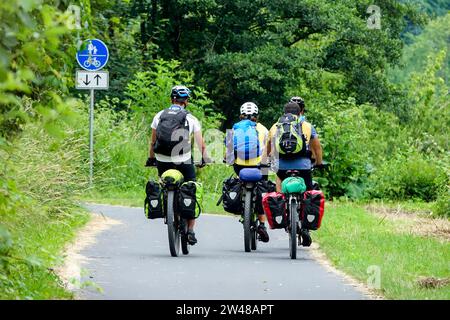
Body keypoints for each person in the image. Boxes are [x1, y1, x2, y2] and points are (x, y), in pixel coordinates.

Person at [146, 85, 209, 245]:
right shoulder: (191, 118)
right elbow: (200, 144)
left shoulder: (159, 115)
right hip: (183, 158)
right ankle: (191, 230)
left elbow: (153, 141)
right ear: (186, 101)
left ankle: (167, 204)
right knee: (191, 187)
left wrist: (151, 158)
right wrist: (204, 158)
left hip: (162, 158)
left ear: (171, 99)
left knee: (163, 182)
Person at [266, 100, 323, 246]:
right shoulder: (307, 126)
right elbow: (317, 147)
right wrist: (319, 163)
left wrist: (267, 161)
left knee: (279, 187)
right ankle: (305, 227)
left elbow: (269, 148)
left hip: (282, 167)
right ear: (300, 113)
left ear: (284, 113)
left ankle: (283, 212)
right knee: (308, 193)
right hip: (303, 167)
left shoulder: (276, 126)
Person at [225, 102, 270, 243]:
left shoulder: (235, 127)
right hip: (260, 166)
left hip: (240, 166)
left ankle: (244, 204)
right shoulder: (263, 129)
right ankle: (262, 224)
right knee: (263, 188)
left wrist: (228, 160)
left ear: (241, 115)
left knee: (240, 182)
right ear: (257, 116)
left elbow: (229, 150)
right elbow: (270, 150)